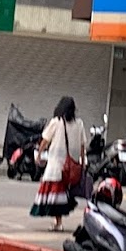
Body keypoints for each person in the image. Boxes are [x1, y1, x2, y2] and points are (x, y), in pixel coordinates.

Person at [30, 96, 86, 232]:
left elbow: (45, 140)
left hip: (56, 165)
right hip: (70, 166)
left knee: (55, 195)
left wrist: (39, 154)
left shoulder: (56, 122)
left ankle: (58, 223)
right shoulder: (79, 124)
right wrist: (82, 162)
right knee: (62, 195)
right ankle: (57, 222)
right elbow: (82, 145)